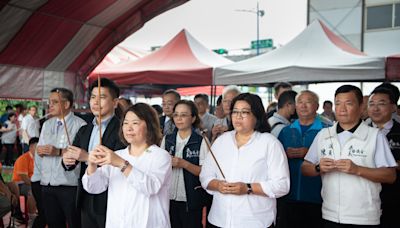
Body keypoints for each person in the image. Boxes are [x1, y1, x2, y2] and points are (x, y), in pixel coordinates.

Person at [301, 85, 397, 227]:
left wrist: (357, 169)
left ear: (360, 107)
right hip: (330, 214)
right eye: (338, 103)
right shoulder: (324, 134)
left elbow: (390, 175)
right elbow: (305, 168)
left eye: (348, 103)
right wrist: (318, 167)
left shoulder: (374, 136)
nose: (342, 109)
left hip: (364, 217)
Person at [200, 93, 290, 228]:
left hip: (254, 222)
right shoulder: (221, 141)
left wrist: (248, 188)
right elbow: (205, 176)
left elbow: (282, 185)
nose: (238, 116)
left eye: (245, 112)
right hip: (219, 219)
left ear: (256, 115)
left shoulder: (269, 143)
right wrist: (218, 185)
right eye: (235, 112)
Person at [82, 103, 172, 228]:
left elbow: (150, 187)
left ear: (149, 126)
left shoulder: (160, 156)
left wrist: (121, 163)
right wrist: (92, 165)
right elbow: (95, 187)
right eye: (125, 123)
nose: (129, 128)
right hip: (117, 222)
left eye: (135, 123)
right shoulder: (118, 154)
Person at [62, 78, 126, 228]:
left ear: (115, 102)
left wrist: (86, 156)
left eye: (102, 97)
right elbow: (72, 160)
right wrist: (67, 160)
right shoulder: (85, 129)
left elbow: (119, 160)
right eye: (92, 97)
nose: (95, 102)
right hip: (85, 195)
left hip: (111, 195)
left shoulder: (122, 129)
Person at [277, 90, 331, 228]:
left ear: (317, 106)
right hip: (289, 196)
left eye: (308, 102)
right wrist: (283, 154)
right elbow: (274, 161)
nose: (303, 106)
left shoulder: (327, 131)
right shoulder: (286, 131)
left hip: (317, 197)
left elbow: (334, 158)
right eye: (299, 102)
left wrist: (310, 153)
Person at [33, 87, 86, 228]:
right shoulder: (47, 124)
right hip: (47, 183)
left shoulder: (80, 125)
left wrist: (59, 151)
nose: (50, 105)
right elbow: (41, 149)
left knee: (75, 223)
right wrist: (39, 151)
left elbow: (83, 154)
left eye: (54, 102)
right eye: (49, 102)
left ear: (67, 104)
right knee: (53, 223)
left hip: (69, 185)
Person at [161, 100, 208, 228]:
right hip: (168, 197)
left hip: (191, 199)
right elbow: (159, 168)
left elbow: (206, 172)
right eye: (176, 115)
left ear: (193, 118)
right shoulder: (167, 139)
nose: (179, 119)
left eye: (184, 115)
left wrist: (184, 164)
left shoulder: (201, 141)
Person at [367, 87, 400, 227]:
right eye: (371, 104)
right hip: (365, 199)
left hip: (394, 198)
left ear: (393, 107)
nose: (375, 108)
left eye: (381, 104)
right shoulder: (358, 132)